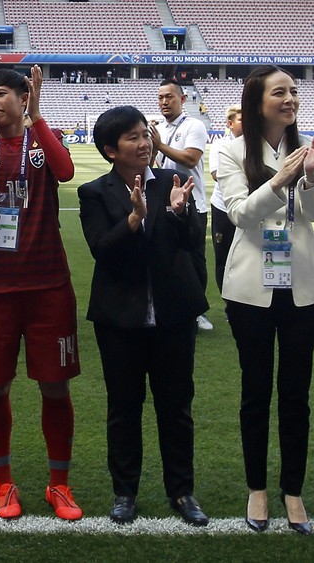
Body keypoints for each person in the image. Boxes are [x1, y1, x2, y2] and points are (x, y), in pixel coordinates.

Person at [0, 66, 81, 521]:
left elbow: (65, 170)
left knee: (55, 387)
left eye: (4, 93)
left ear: (24, 99)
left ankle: (59, 484)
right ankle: (3, 484)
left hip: (48, 287)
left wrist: (39, 114)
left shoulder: (44, 140)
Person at [212, 66, 314, 534]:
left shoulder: (306, 149)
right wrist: (281, 178)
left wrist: (308, 177)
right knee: (255, 390)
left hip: (302, 286)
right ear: (256, 101)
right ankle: (257, 489)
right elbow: (240, 214)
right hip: (250, 289)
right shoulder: (230, 149)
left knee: (296, 393)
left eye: (294, 91)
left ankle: (293, 491)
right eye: (279, 92)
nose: (290, 98)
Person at [79, 106, 208, 526]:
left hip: (174, 314)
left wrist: (179, 211)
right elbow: (102, 248)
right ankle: (125, 492)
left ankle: (182, 491)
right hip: (121, 317)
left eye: (145, 135)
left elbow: (190, 244)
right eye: (133, 137)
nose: (144, 143)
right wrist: (135, 218)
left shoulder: (170, 184)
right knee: (124, 407)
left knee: (176, 406)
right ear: (110, 150)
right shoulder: (95, 192)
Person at [150, 80, 213, 332]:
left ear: (182, 99)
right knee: (168, 257)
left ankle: (199, 312)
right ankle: (172, 307)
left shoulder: (193, 125)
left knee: (195, 258)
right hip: (166, 204)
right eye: (160, 98)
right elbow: (158, 164)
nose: (164, 102)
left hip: (193, 204)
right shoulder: (160, 129)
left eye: (169, 97)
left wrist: (159, 145)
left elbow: (190, 157)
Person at [209, 106, 242, 293]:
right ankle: (228, 301)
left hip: (249, 205)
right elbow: (216, 174)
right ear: (230, 124)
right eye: (241, 120)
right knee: (223, 256)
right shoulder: (220, 145)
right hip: (223, 206)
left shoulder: (257, 144)